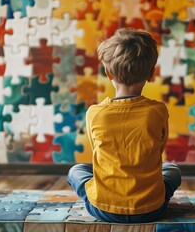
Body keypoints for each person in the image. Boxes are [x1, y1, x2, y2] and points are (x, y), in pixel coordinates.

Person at [67, 28, 181, 223]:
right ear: (151, 73)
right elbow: (158, 151)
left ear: (108, 73)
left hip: (102, 208)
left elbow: (99, 156)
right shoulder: (158, 110)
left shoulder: (94, 113)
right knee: (172, 170)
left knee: (76, 171)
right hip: (152, 208)